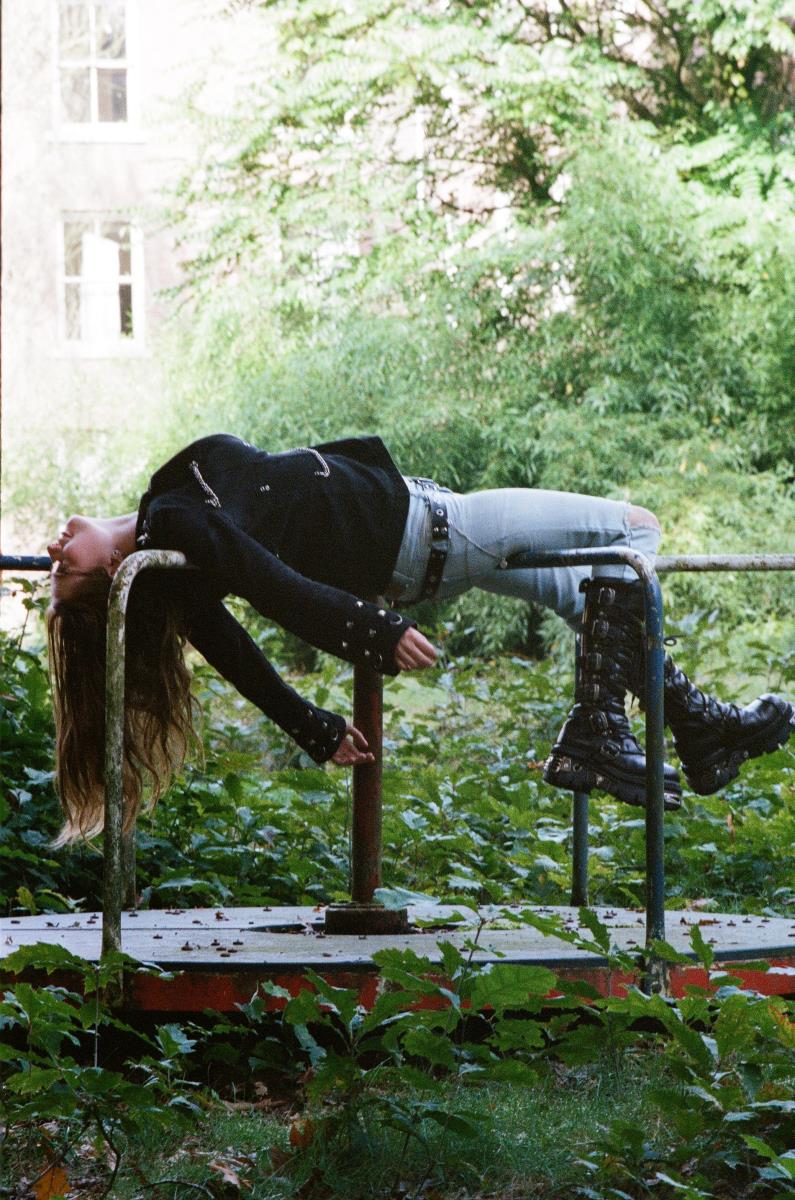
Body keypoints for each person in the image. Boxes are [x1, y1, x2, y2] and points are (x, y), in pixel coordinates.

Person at [47, 433, 794, 843]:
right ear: (112, 573)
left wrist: (312, 727)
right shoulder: (172, 526)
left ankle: (697, 725)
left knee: (591, 598)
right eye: (65, 573)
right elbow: (270, 586)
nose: (53, 553)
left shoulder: (167, 510)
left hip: (430, 523)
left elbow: (230, 648)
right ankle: (599, 732)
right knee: (633, 530)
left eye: (54, 566)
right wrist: (371, 631)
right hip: (437, 533)